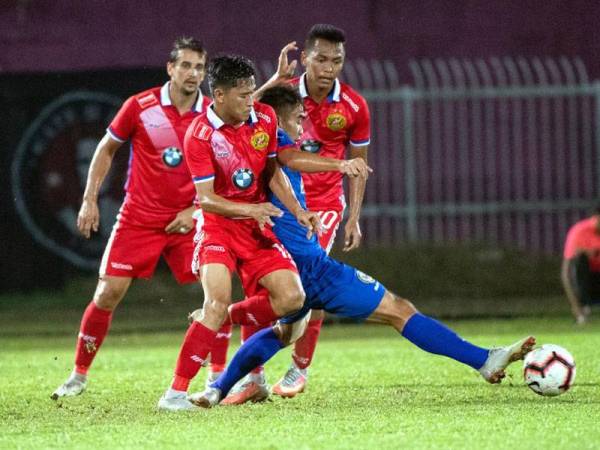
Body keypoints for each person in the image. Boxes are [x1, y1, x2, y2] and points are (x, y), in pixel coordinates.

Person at [187, 85, 536, 408]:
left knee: (285, 331)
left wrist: (274, 82)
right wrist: (340, 164)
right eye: (297, 118)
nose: (303, 123)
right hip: (311, 269)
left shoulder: (248, 143)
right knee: (399, 310)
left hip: (286, 266)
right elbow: (286, 151)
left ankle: (219, 385)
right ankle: (484, 360)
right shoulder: (272, 140)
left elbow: (238, 111)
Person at [211, 24, 372, 400]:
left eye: (337, 61)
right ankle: (253, 378)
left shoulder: (353, 106)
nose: (329, 67)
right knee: (264, 282)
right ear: (306, 59)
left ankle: (299, 367)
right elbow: (241, 108)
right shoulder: (283, 92)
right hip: (279, 198)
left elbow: (359, 165)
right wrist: (271, 81)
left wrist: (354, 216)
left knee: (310, 283)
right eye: (321, 59)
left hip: (324, 204)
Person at [156, 54, 325, 412]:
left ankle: (224, 319)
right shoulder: (199, 135)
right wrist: (251, 208)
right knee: (213, 303)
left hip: (255, 227)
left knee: (293, 298)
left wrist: (298, 211)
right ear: (218, 94)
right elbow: (206, 200)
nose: (252, 100)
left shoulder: (264, 117)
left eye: (252, 92)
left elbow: (273, 174)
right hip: (217, 227)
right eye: (243, 94)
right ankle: (174, 395)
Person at [51, 37, 211, 400]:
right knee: (108, 293)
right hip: (139, 216)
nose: (192, 74)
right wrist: (90, 199)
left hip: (190, 219)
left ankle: (215, 379)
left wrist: (197, 211)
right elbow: (106, 148)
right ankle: (78, 375)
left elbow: (227, 173)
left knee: (215, 294)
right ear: (170, 68)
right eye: (185, 65)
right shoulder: (141, 105)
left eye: (199, 67)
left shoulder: (212, 114)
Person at [562, 206, 600, 324]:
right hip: (589, 283)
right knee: (578, 258)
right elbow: (567, 272)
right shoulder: (580, 232)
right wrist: (576, 311)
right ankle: (583, 310)